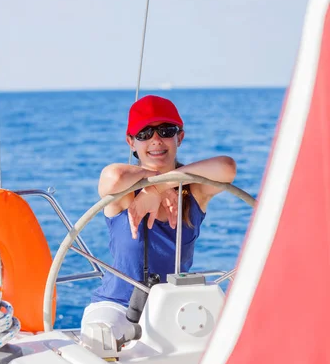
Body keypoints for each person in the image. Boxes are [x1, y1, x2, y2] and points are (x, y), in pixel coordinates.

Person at [81, 95, 236, 333]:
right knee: (104, 339)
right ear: (131, 142)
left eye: (165, 131)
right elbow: (112, 178)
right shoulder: (125, 193)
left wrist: (160, 187)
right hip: (117, 307)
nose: (156, 140)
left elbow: (227, 167)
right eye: (144, 134)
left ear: (179, 137)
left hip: (173, 308)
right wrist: (151, 184)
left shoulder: (193, 191)